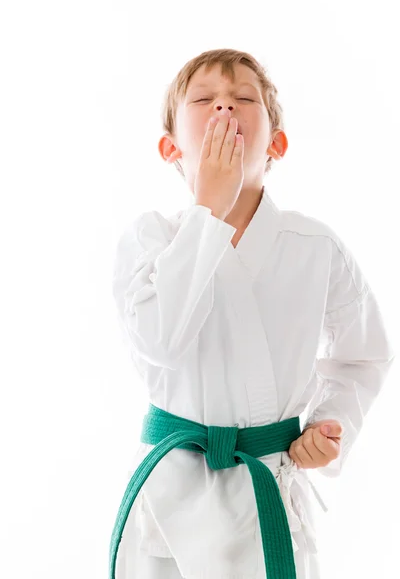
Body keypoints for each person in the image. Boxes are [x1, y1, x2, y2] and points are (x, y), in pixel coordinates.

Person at [109, 48, 395, 579]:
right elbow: (162, 341)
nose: (224, 109)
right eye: (204, 100)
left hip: (268, 483)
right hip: (171, 499)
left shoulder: (315, 247)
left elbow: (363, 356)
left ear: (276, 145)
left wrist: (330, 425)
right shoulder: (149, 241)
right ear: (171, 148)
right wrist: (208, 212)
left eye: (243, 99)